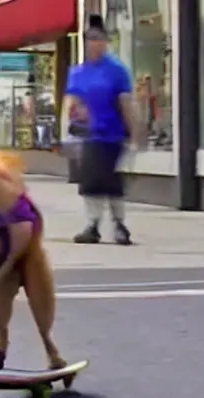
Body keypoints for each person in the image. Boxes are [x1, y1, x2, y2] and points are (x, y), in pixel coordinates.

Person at [64, 14, 140, 246]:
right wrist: (67, 129)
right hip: (87, 135)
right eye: (89, 39)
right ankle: (92, 224)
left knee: (112, 182)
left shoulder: (116, 70)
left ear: (106, 42)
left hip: (112, 135)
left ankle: (119, 224)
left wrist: (135, 134)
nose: (93, 44)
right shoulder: (78, 72)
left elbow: (127, 103)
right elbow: (71, 101)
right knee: (89, 183)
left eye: (98, 39)